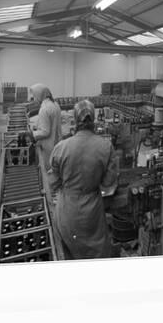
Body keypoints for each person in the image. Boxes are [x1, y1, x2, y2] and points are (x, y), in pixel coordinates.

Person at [49, 100, 118, 259]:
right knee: (95, 255)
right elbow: (108, 184)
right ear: (93, 119)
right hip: (92, 213)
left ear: (74, 119)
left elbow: (53, 181)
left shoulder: (61, 147)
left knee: (69, 255)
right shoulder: (105, 146)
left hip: (67, 211)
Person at [28, 83, 62, 172]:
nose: (34, 100)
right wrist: (37, 125)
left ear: (39, 95)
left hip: (48, 147)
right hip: (57, 142)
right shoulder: (55, 104)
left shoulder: (44, 109)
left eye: (34, 96)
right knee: (55, 169)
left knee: (46, 170)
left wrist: (31, 133)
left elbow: (45, 132)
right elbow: (52, 123)